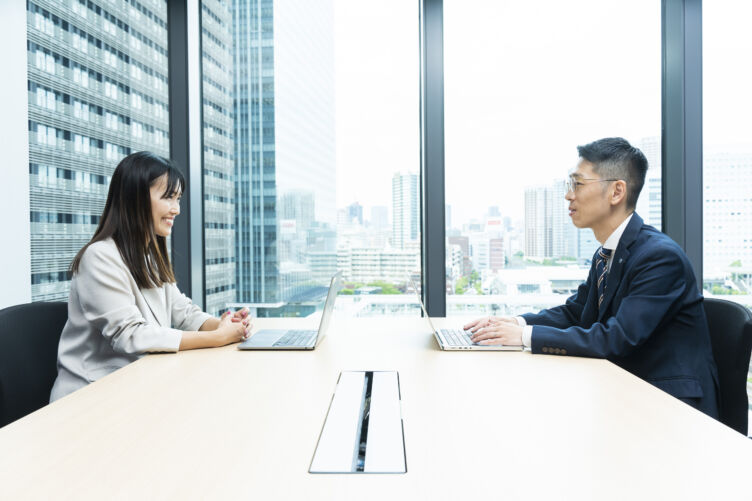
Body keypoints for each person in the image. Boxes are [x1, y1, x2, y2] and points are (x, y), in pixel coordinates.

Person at [465, 137, 719, 418]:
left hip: (671, 408)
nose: (568, 195)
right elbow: (576, 313)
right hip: (624, 391)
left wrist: (524, 336)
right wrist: (515, 322)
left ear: (616, 192)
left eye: (578, 184)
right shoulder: (607, 253)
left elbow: (617, 338)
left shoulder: (659, 257)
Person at [50, 152, 251, 402]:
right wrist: (215, 338)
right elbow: (131, 336)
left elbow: (183, 312)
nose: (176, 209)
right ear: (135, 199)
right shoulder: (99, 256)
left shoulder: (148, 256)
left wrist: (224, 325)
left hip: (136, 385)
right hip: (90, 397)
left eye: (178, 199)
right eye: (168, 197)